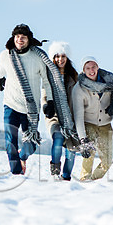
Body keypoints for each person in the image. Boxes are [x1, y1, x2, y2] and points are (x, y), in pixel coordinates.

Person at [0, 23, 55, 175]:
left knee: (30, 145)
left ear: (29, 39)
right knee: (10, 142)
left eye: (23, 37)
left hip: (30, 109)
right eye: (17, 37)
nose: (20, 40)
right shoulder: (5, 55)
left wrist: (50, 102)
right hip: (10, 104)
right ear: (13, 38)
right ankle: (16, 173)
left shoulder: (38, 58)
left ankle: (23, 156)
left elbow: (47, 81)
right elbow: (0, 71)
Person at [72, 56, 113, 181]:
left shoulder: (110, 82)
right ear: (83, 70)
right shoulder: (79, 88)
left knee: (107, 162)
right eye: (88, 68)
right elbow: (78, 116)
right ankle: (85, 180)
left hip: (106, 125)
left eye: (93, 67)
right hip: (88, 124)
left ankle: (92, 181)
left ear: (98, 67)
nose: (91, 70)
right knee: (88, 157)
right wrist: (83, 139)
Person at [42, 41, 78, 180]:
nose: (60, 59)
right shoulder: (48, 75)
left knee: (72, 149)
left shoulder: (74, 76)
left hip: (70, 117)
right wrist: (46, 106)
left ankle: (66, 176)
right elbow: (44, 93)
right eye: (57, 56)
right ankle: (55, 171)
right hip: (54, 115)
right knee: (57, 138)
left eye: (63, 56)